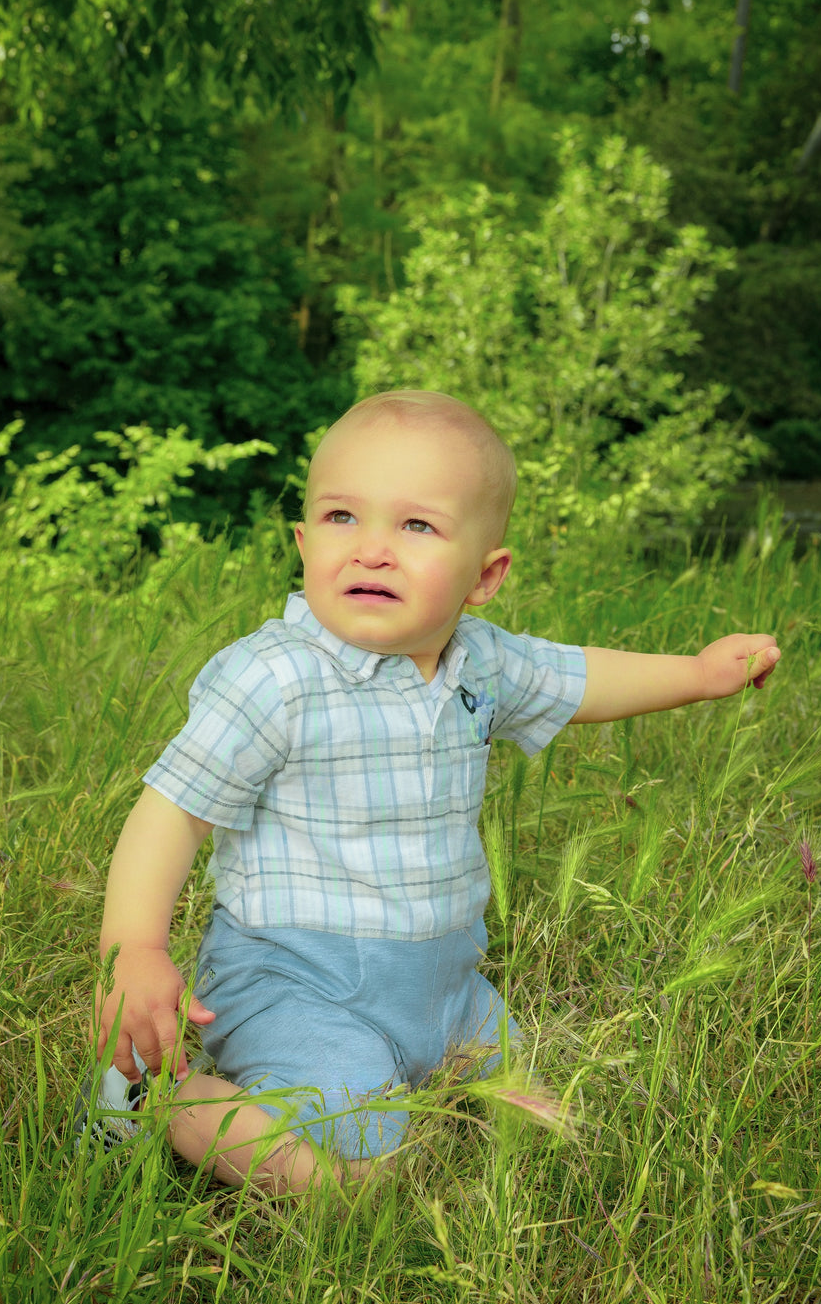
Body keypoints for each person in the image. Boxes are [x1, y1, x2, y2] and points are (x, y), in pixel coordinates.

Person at [85, 390, 780, 1194]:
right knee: (360, 1167)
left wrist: (697, 675)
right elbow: (173, 812)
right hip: (298, 975)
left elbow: (583, 678)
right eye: (344, 518)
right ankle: (164, 1100)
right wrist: (135, 946)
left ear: (486, 576)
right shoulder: (276, 677)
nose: (371, 550)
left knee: (550, 1119)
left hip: (446, 982)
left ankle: (416, 1069)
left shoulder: (481, 660)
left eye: (416, 526)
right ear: (304, 542)